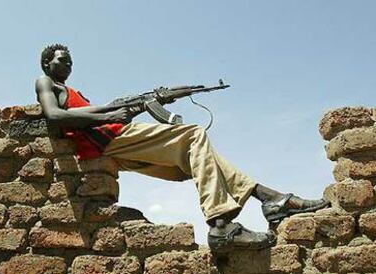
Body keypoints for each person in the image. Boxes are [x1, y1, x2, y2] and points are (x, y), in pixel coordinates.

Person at [35, 44, 329, 253]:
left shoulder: (74, 92)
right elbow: (55, 116)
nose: (68, 65)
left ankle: (269, 197)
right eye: (63, 60)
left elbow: (101, 110)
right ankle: (221, 224)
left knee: (200, 158)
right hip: (109, 140)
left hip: (110, 143)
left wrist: (136, 104)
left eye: (71, 61)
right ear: (48, 63)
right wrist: (112, 115)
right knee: (193, 135)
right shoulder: (46, 82)